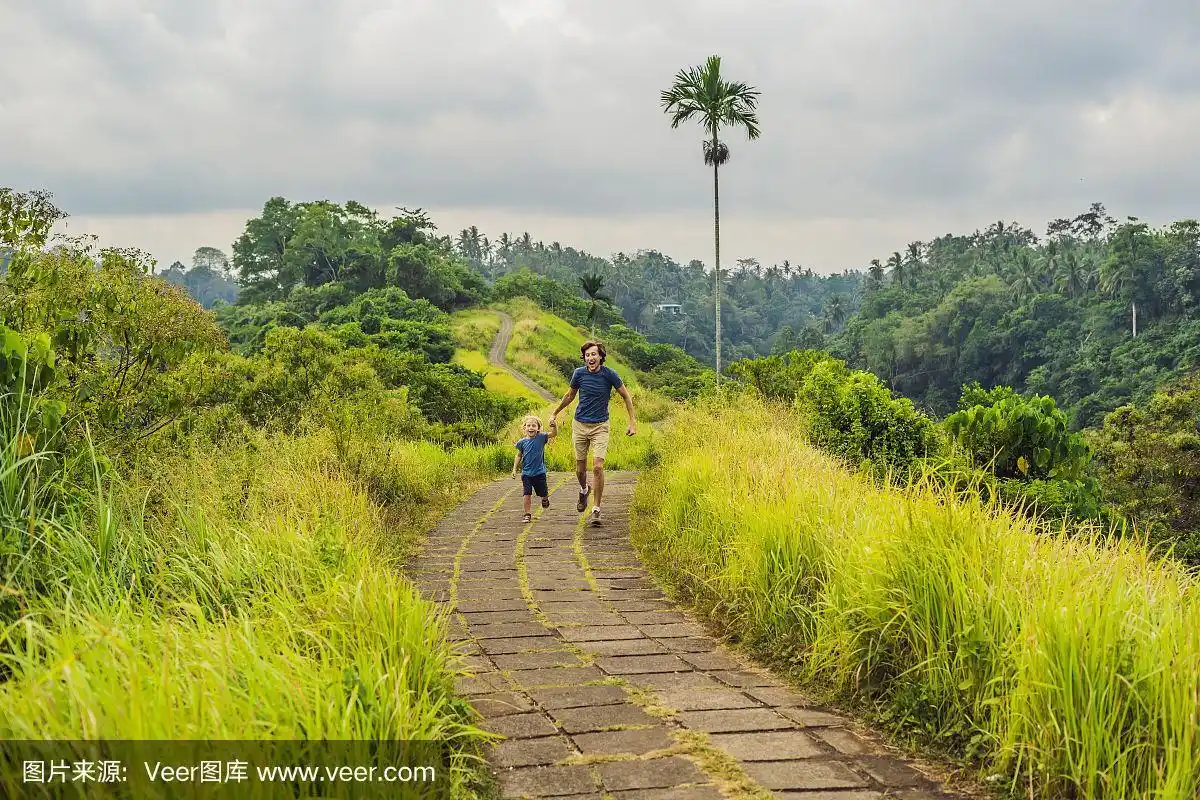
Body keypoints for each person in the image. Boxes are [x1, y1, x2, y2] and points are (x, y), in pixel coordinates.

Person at [549, 340, 636, 526]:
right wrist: (555, 412)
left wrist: (632, 422)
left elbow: (626, 396)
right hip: (579, 425)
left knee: (597, 467)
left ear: (601, 356)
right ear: (584, 358)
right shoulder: (578, 374)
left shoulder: (610, 375)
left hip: (600, 426)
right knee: (580, 469)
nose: (591, 358)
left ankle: (596, 508)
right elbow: (570, 395)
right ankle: (583, 490)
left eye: (594, 354)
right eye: (587, 355)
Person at [512, 414, 556, 523]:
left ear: (538, 428)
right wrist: (514, 469)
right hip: (526, 473)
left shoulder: (541, 437)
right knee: (527, 493)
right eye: (528, 425)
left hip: (540, 473)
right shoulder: (522, 442)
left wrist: (554, 426)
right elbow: (518, 455)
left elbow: (554, 434)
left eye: (534, 425)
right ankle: (527, 514)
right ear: (524, 428)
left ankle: (545, 498)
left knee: (543, 492)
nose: (531, 428)